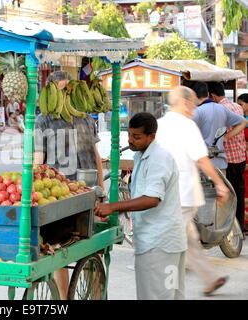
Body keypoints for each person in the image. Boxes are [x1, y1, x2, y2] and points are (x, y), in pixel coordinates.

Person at [95, 112, 187, 300]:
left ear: (151, 136)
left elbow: (152, 199)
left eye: (136, 137)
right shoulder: (142, 155)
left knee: (157, 295)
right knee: (168, 295)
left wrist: (114, 207)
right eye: (129, 135)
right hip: (159, 241)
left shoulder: (158, 158)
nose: (130, 140)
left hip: (160, 244)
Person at [34, 70, 104, 300]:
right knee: (75, 248)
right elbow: (95, 155)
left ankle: (70, 298)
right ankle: (69, 298)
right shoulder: (67, 117)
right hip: (67, 193)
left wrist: (100, 189)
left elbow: (38, 160)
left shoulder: (77, 117)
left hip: (70, 194)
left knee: (61, 249)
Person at [156, 86, 230, 296]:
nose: (195, 109)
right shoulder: (187, 126)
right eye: (194, 104)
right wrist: (220, 183)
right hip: (181, 194)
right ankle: (209, 278)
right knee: (184, 241)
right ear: (184, 102)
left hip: (172, 194)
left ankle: (167, 286)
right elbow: (202, 159)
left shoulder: (160, 125)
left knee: (177, 241)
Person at [207, 82, 247, 235]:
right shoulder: (237, 106)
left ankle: (229, 230)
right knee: (239, 193)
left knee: (227, 196)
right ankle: (240, 228)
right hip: (240, 157)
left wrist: (226, 138)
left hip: (228, 159)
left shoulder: (220, 109)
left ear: (212, 96)